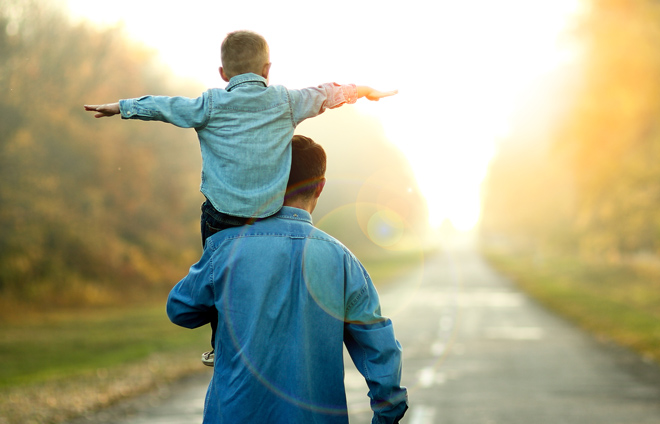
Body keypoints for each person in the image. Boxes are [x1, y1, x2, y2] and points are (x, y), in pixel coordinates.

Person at [84, 30, 397, 363]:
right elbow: (325, 94)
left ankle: (222, 345)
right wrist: (362, 92)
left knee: (219, 279)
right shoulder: (285, 101)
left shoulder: (209, 104)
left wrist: (122, 107)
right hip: (269, 214)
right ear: (267, 69)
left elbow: (166, 107)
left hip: (221, 217)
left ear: (223, 74)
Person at [166, 135, 408, 424]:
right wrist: (387, 415)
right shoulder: (343, 261)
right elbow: (380, 350)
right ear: (320, 187)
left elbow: (180, 310)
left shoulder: (226, 249)